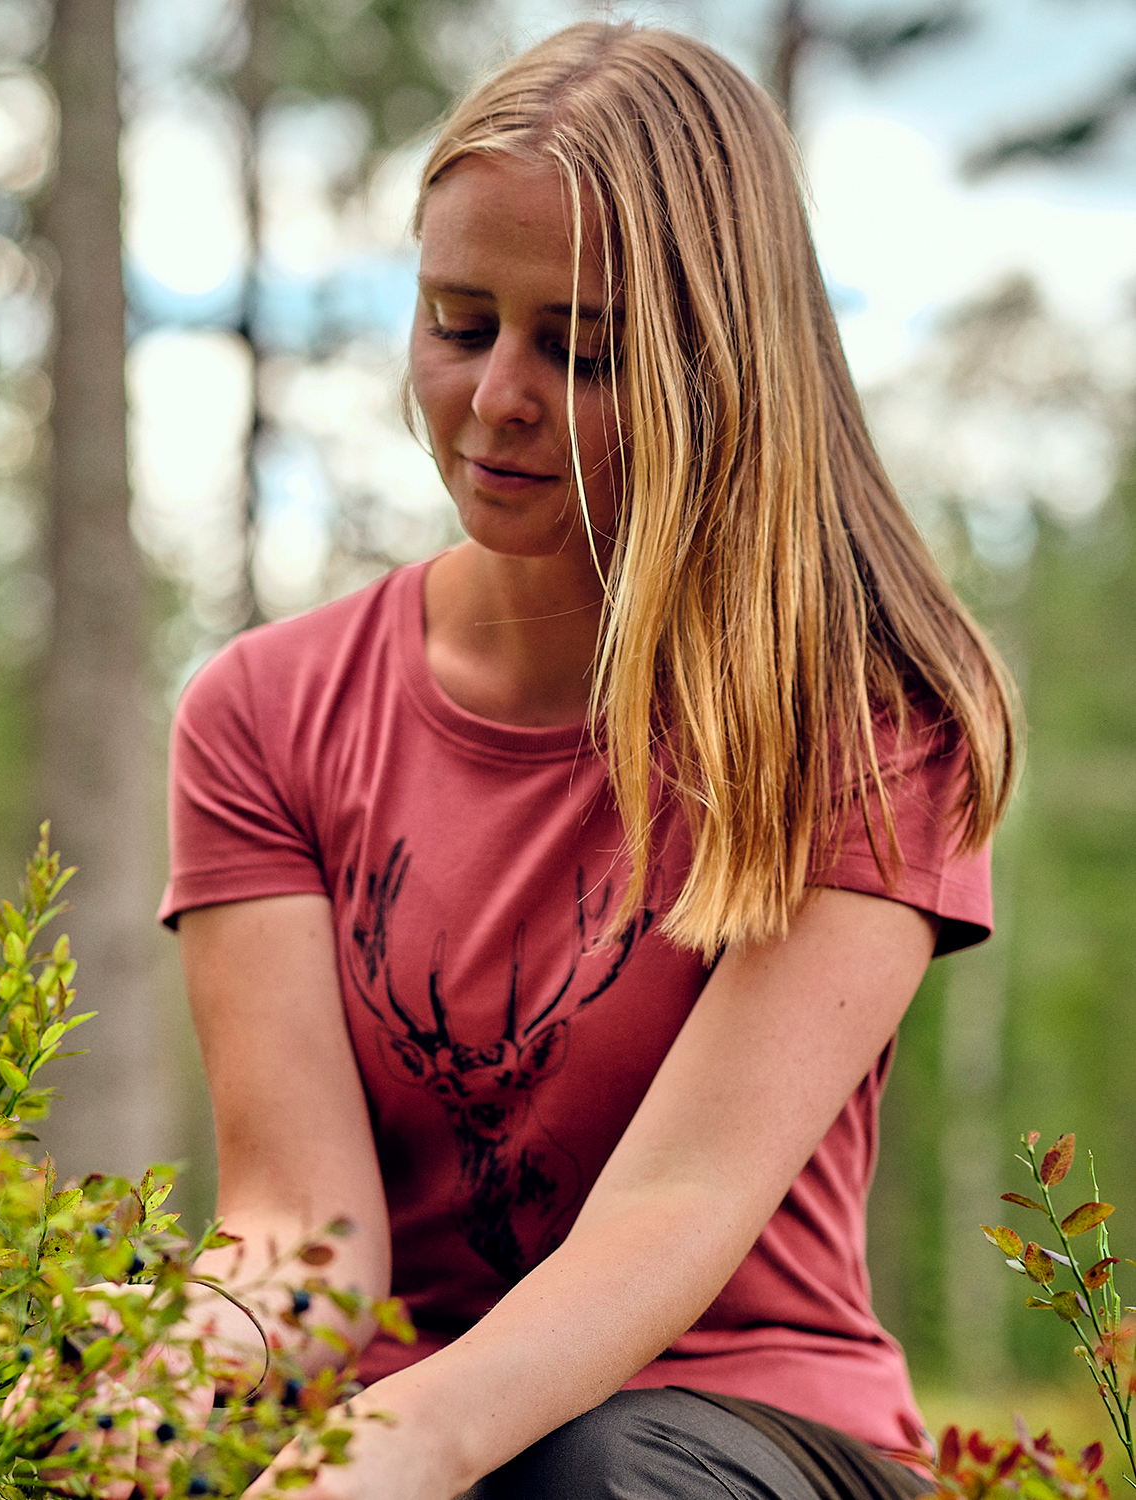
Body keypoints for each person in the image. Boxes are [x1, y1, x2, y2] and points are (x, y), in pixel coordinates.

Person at [160, 21, 1015, 1500]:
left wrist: (407, 1438)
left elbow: (676, 1210)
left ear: (717, 362)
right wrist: (143, 1382)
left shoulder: (870, 720)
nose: (498, 396)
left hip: (741, 1438)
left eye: (584, 350)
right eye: (456, 320)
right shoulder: (263, 710)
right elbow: (303, 1234)